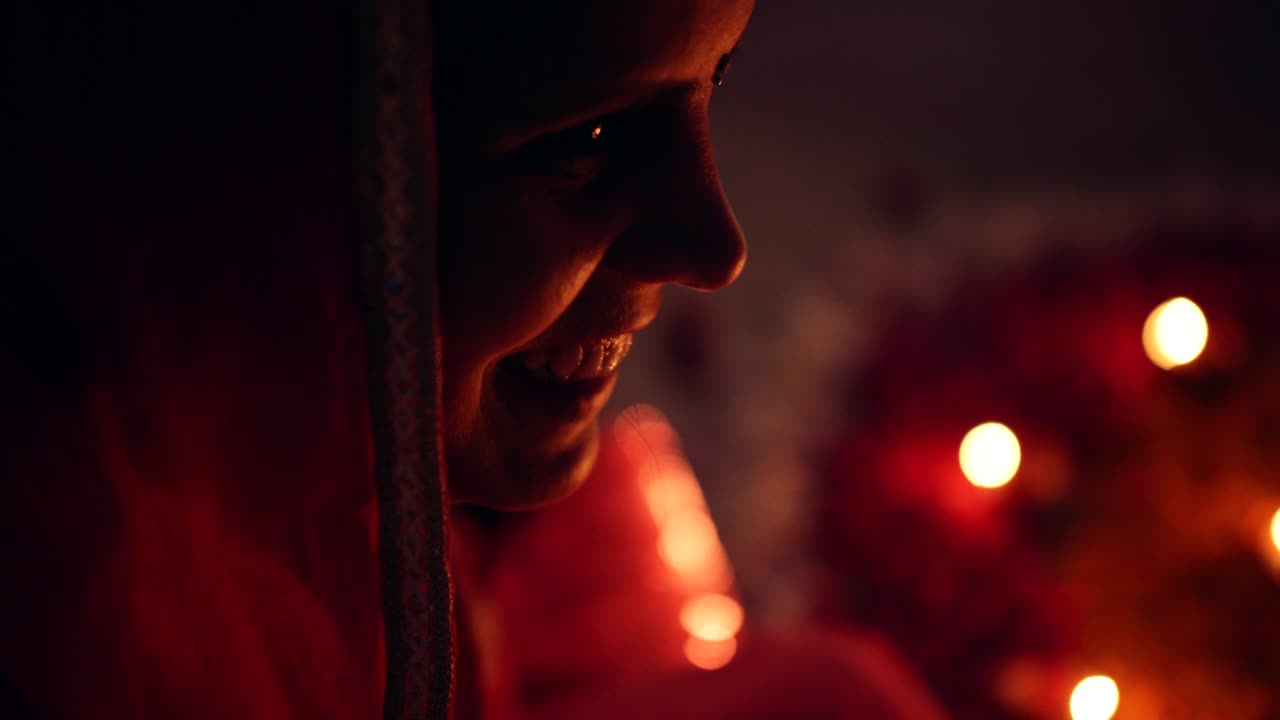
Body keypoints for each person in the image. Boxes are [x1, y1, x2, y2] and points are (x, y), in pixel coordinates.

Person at [2, 0, 944, 717]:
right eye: (587, 138)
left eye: (717, 79)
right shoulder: (98, 632)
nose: (716, 245)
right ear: (269, 175)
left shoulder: (368, 505)